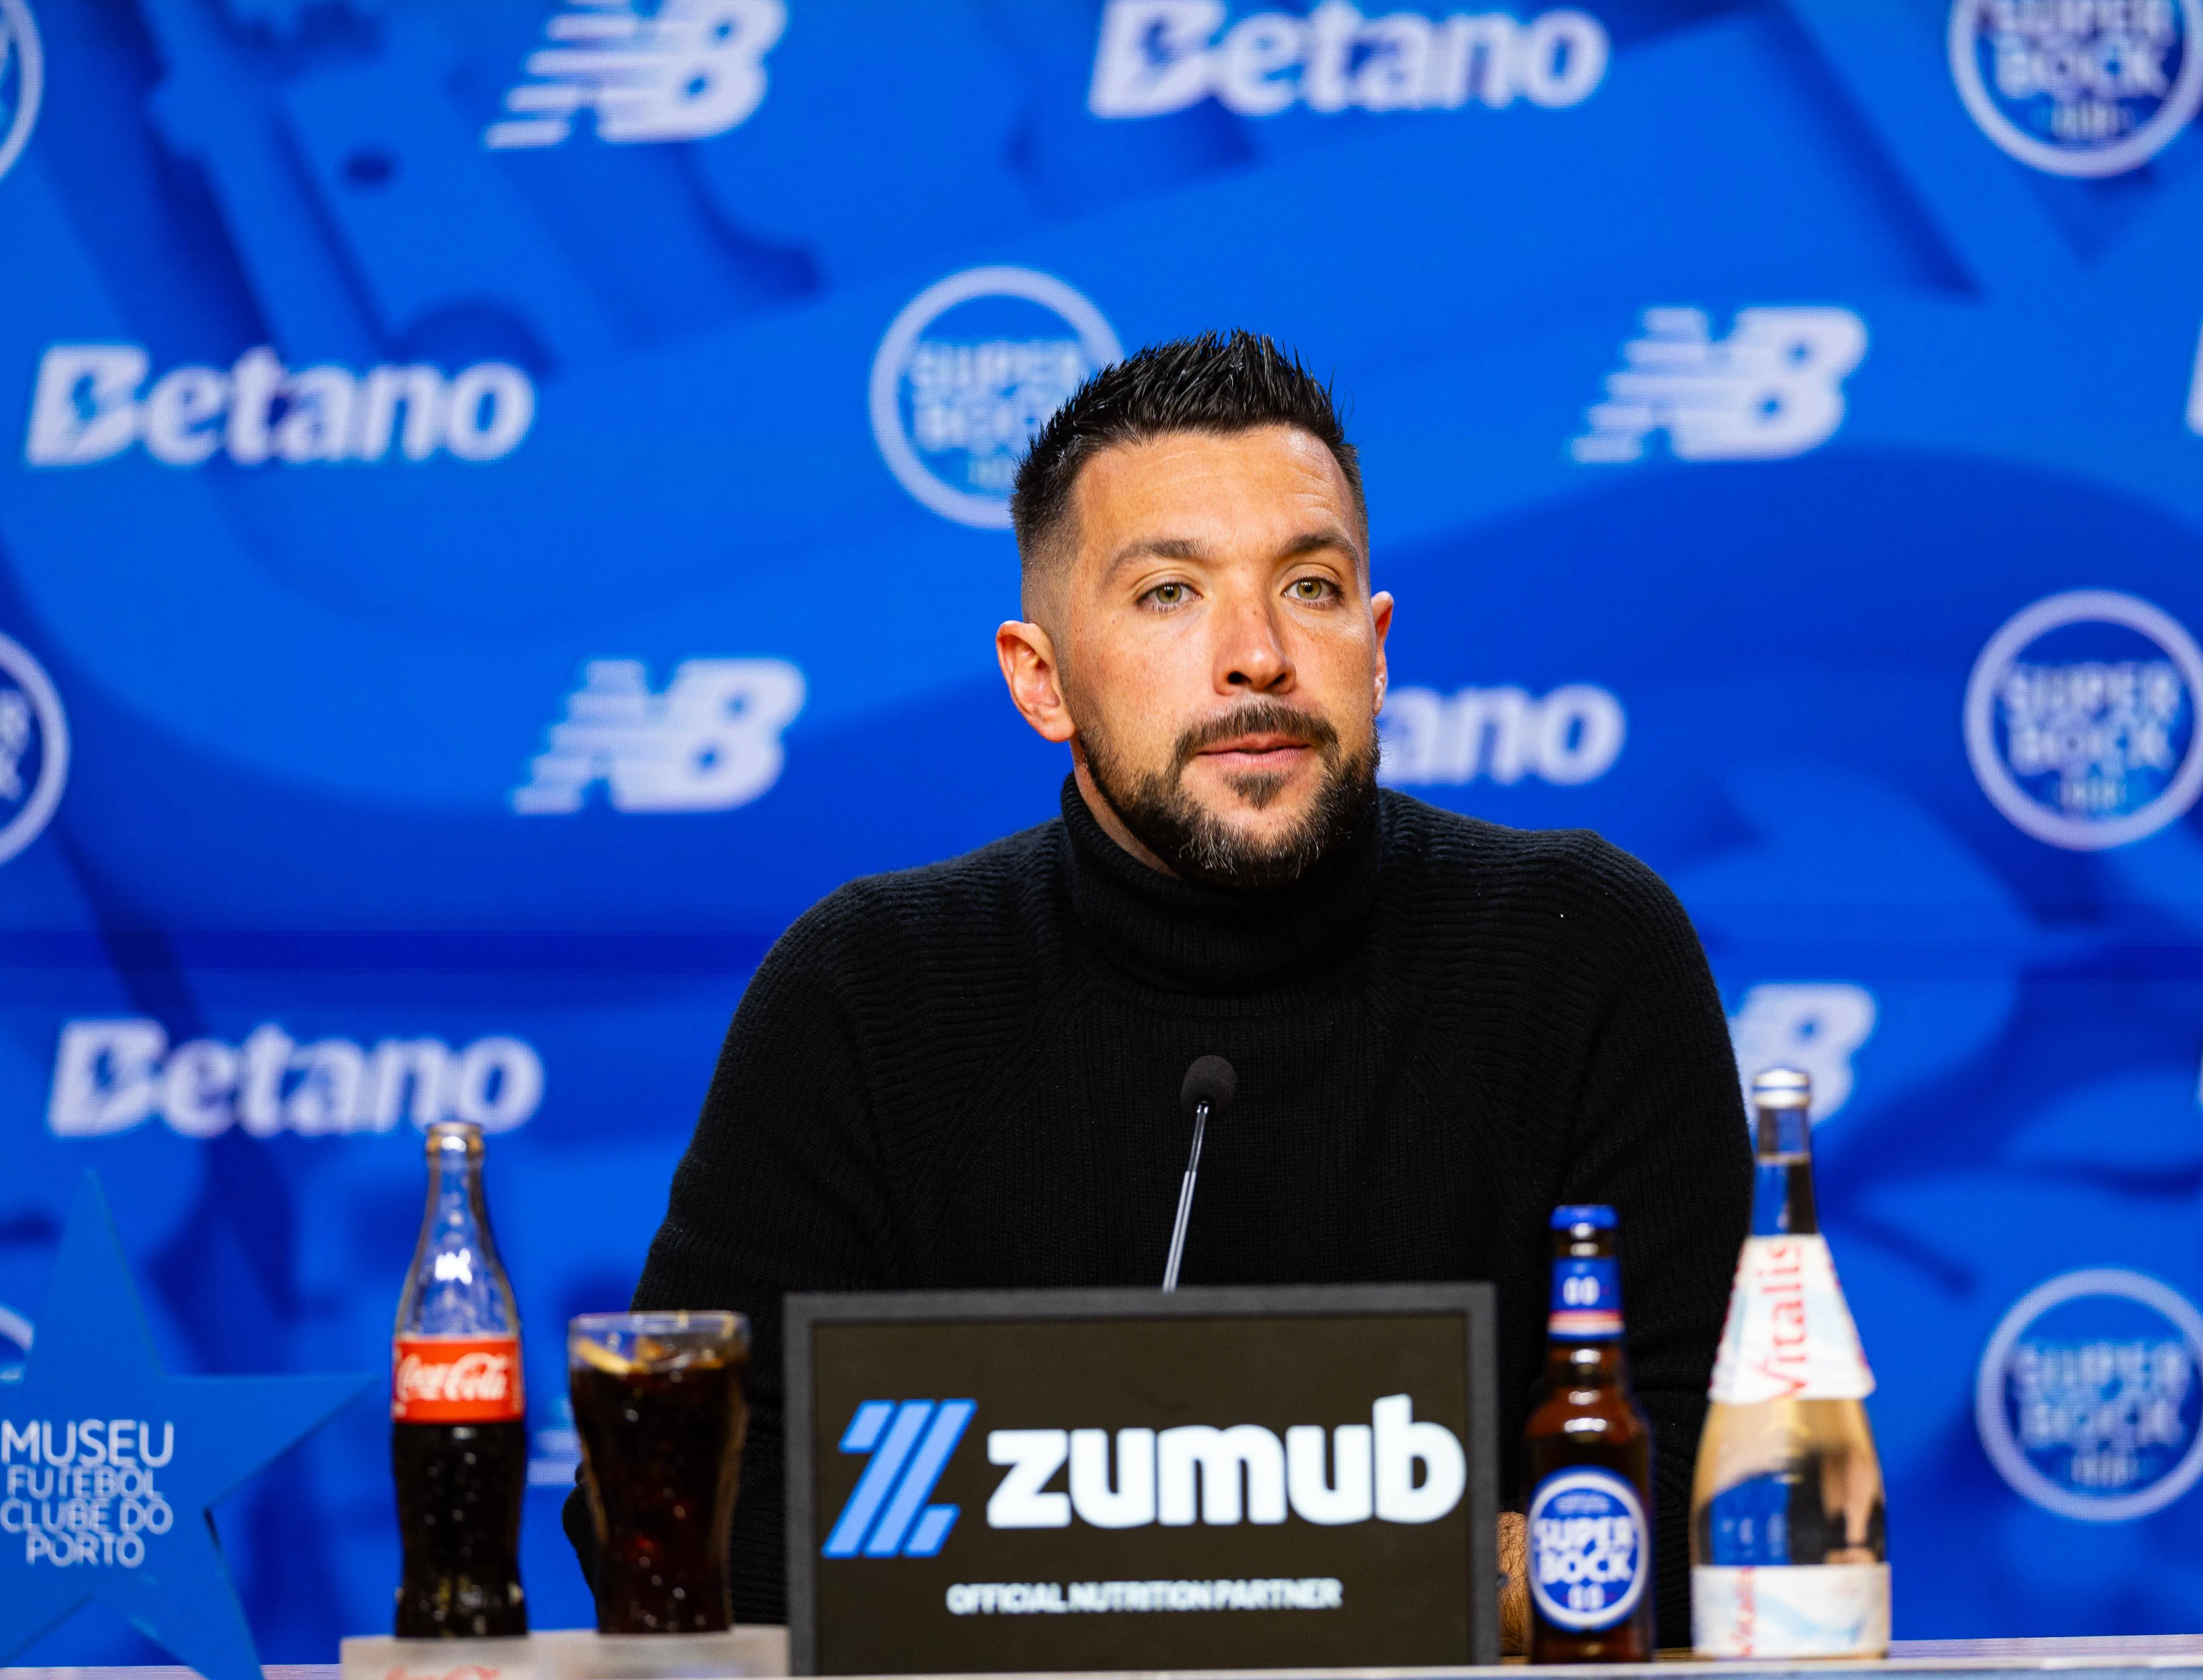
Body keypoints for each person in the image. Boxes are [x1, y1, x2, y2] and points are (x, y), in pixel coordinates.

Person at [565, 330, 1750, 1646]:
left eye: (1310, 584)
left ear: (1376, 642)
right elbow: (665, 1504)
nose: (1257, 656)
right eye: (1169, 594)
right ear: (1041, 680)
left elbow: (1709, 1483)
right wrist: (1306, 1563)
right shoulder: (867, 989)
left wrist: (1104, 1554)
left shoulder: (1582, 947)